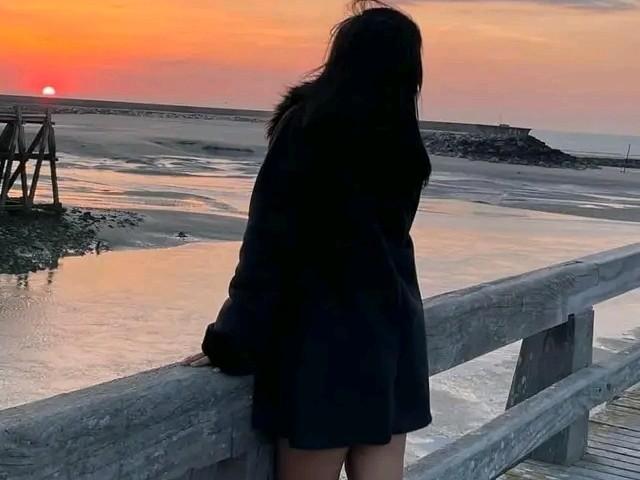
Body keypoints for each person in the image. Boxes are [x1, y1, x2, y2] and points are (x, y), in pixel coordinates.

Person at [182, 1, 432, 478]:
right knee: (379, 461)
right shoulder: (402, 141)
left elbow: (269, 244)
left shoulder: (310, 127)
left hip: (325, 343)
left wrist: (230, 339)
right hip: (393, 333)